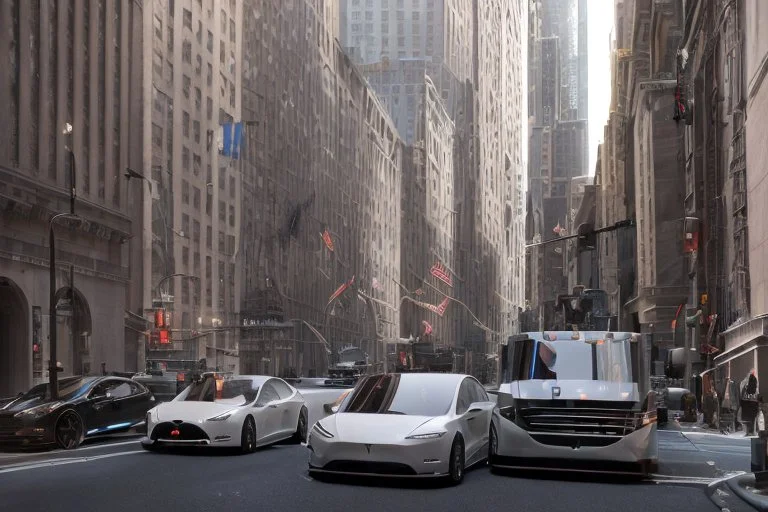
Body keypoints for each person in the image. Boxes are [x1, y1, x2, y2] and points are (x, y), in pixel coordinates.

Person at [740, 369, 759, 435]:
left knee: (747, 419)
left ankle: (748, 432)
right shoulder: (756, 386)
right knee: (753, 419)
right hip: (753, 403)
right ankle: (753, 431)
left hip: (746, 403)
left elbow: (742, 394)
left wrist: (741, 403)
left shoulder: (745, 385)